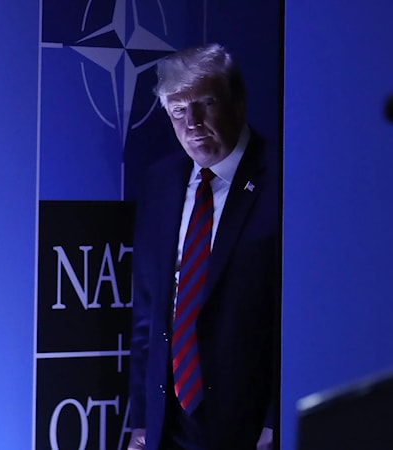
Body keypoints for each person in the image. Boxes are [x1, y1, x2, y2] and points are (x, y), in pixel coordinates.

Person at [127, 42, 278, 449]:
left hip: (247, 427)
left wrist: (274, 421)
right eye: (178, 111)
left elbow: (299, 317)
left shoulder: (284, 181)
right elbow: (149, 313)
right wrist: (141, 421)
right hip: (169, 423)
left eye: (205, 104)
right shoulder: (160, 183)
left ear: (239, 103)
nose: (192, 122)